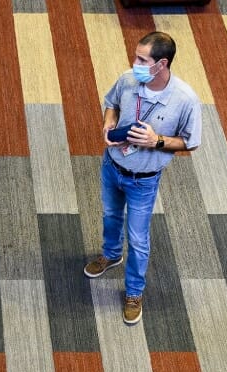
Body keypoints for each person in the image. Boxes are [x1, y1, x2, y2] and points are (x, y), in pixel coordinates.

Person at [84, 31, 202, 325]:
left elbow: (191, 142)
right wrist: (108, 125)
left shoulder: (185, 100)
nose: (134, 63)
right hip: (112, 166)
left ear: (161, 64)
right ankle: (111, 255)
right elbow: (111, 102)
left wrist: (157, 141)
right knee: (110, 215)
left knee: (138, 239)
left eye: (141, 59)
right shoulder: (128, 79)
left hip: (144, 180)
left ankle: (134, 292)